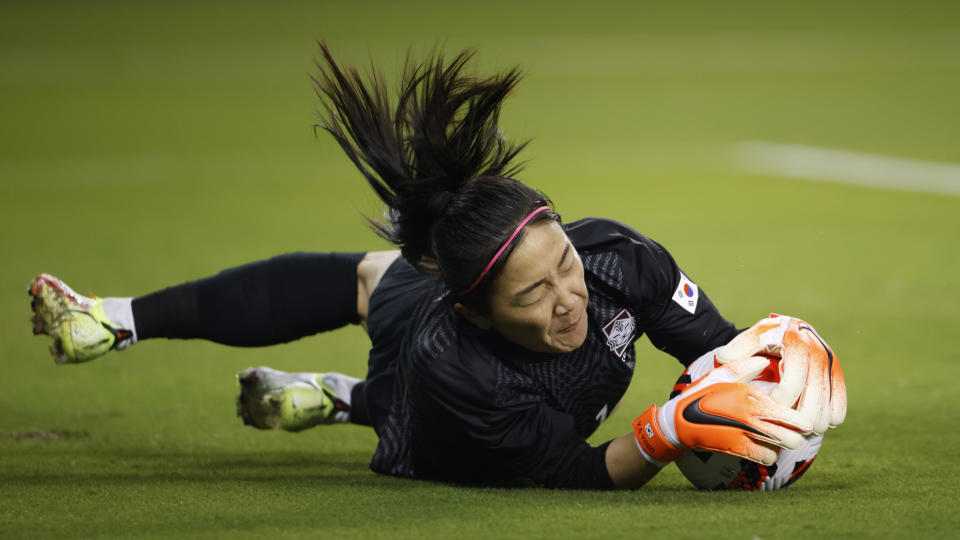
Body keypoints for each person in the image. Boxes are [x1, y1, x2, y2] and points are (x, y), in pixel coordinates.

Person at [28, 44, 843, 490]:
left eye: (563, 265)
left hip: (452, 306)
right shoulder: (453, 360)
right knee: (399, 364)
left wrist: (764, 374)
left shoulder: (615, 259)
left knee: (377, 274)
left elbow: (712, 342)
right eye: (535, 293)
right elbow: (577, 469)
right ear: (477, 309)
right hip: (440, 420)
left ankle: (151, 334)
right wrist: (666, 433)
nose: (570, 301)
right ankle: (333, 395)